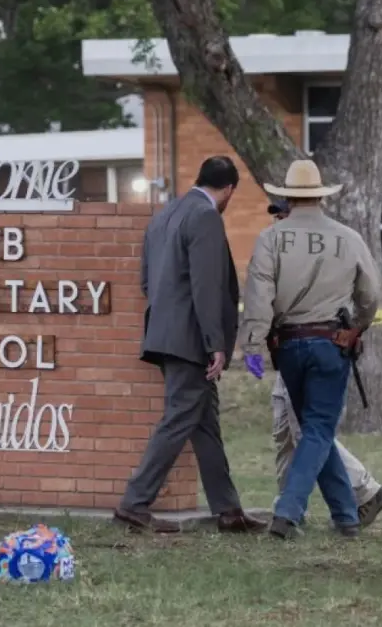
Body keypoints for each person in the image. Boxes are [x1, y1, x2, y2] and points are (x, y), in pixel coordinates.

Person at [114, 156, 267, 535]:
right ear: (229, 189)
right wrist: (215, 343)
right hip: (192, 339)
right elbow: (206, 284)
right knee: (179, 417)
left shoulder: (164, 216)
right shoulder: (205, 216)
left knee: (205, 423)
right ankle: (134, 503)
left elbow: (147, 281)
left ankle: (228, 510)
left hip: (165, 334)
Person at [239, 160, 382, 539]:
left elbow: (258, 298)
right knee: (318, 428)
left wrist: (252, 345)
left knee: (312, 428)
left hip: (287, 345)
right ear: (321, 197)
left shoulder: (270, 238)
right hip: (331, 344)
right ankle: (288, 512)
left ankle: (346, 516)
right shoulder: (348, 238)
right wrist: (356, 326)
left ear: (288, 197)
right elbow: (370, 296)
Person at [264, 200, 382, 527]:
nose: (280, 219)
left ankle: (295, 507)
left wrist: (356, 328)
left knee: (311, 431)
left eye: (284, 213)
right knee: (290, 430)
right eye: (278, 215)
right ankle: (344, 512)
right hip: (292, 345)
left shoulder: (328, 243)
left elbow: (368, 295)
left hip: (311, 343)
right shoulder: (280, 244)